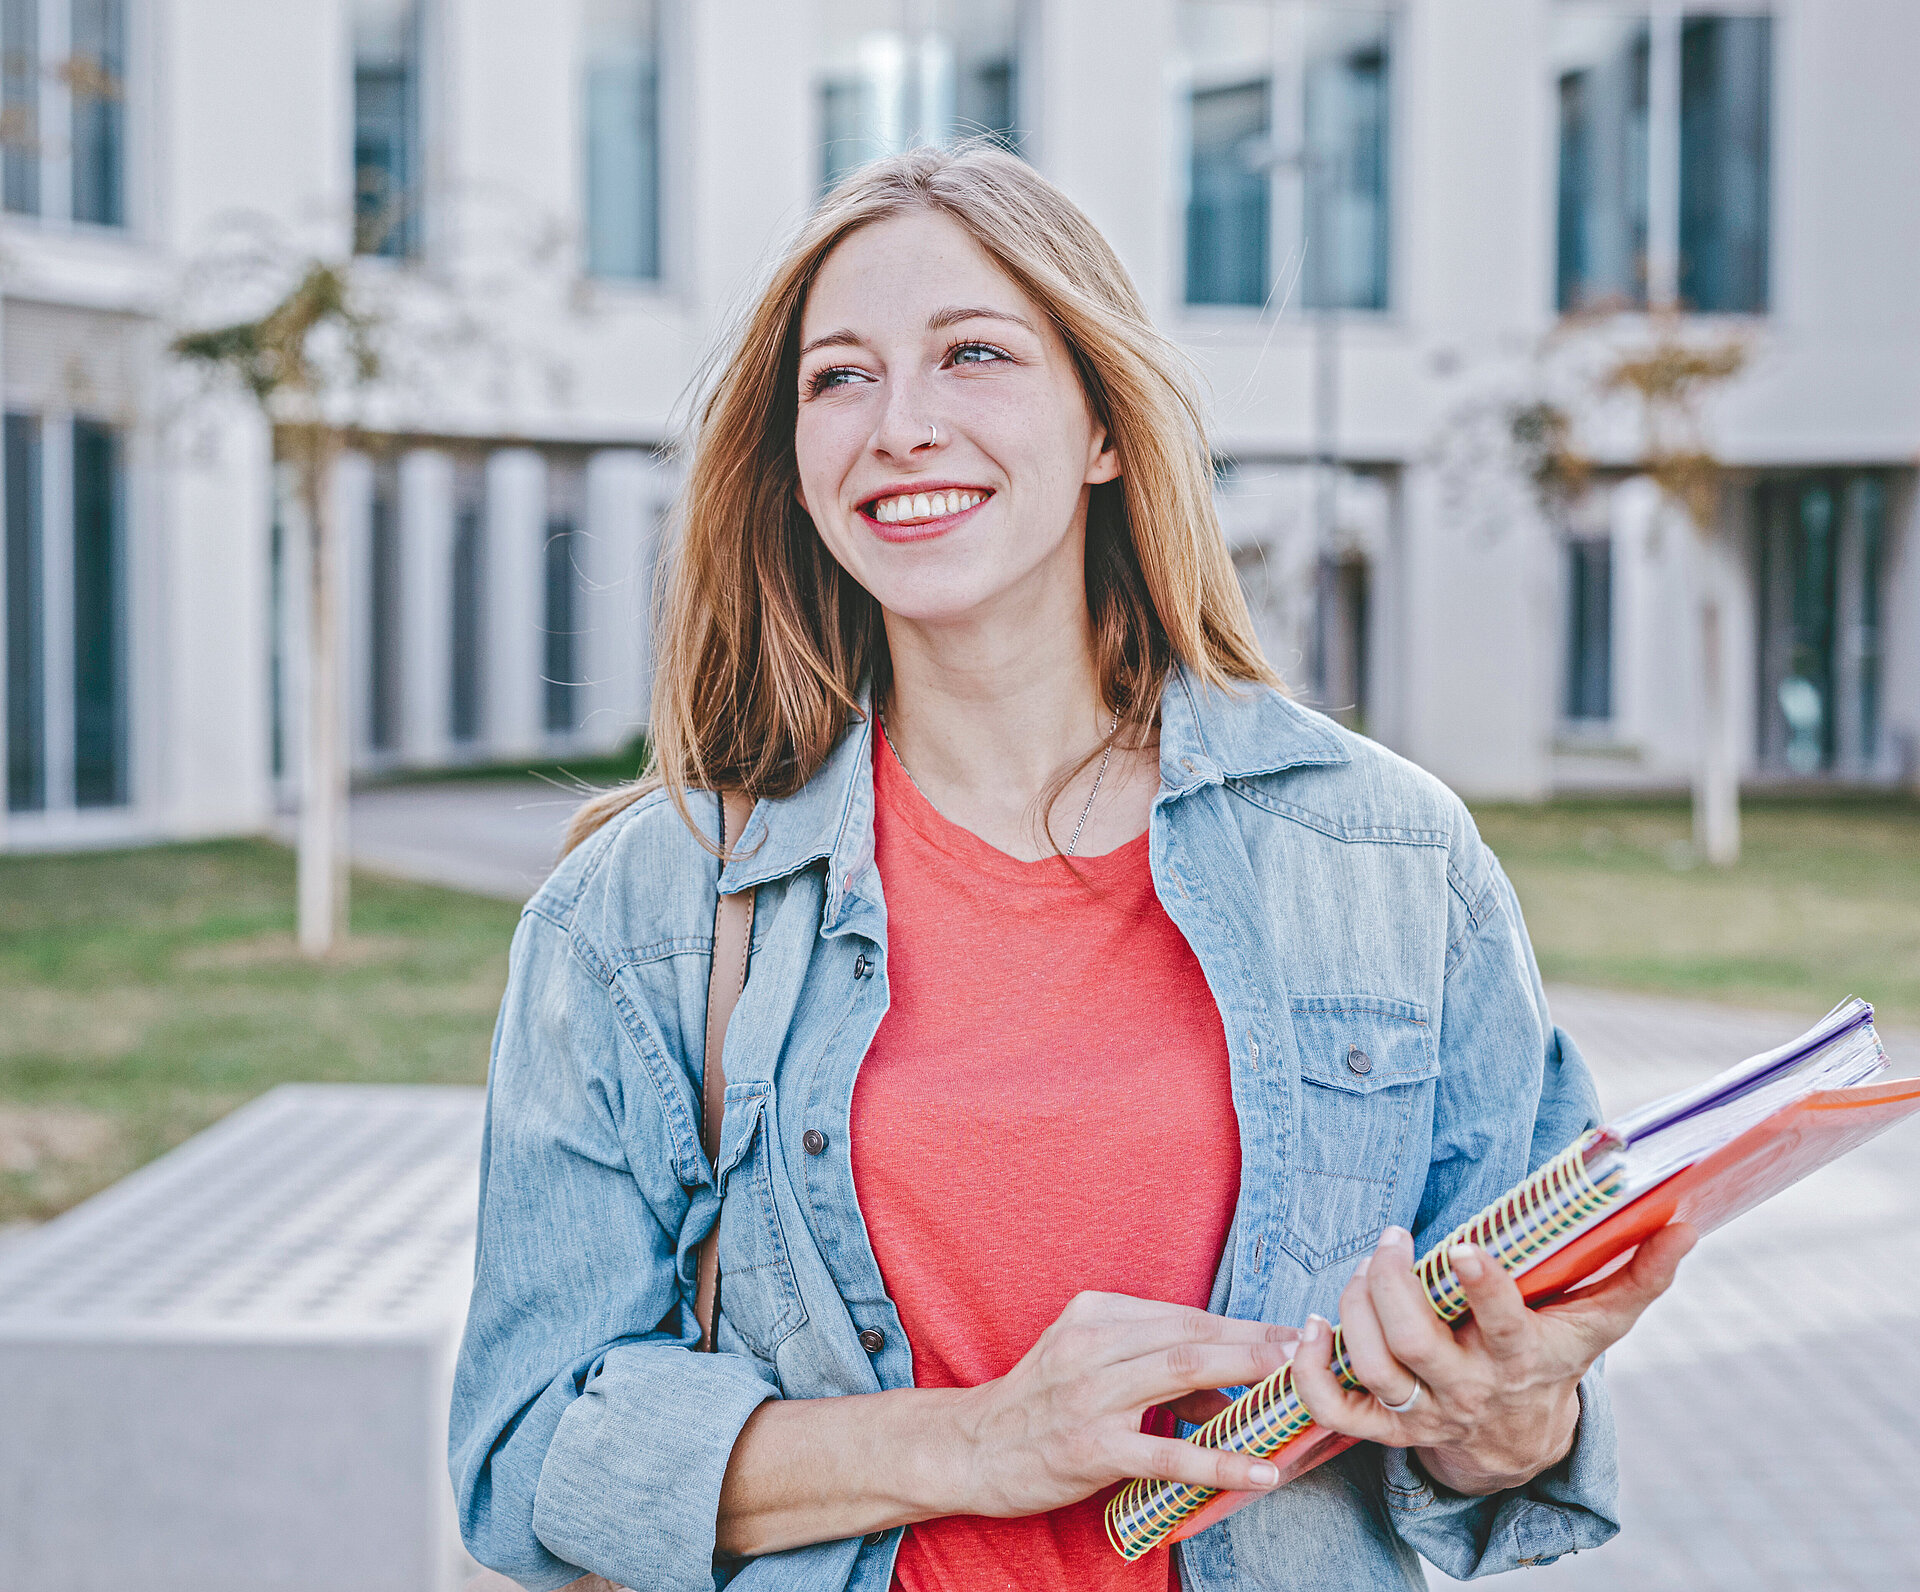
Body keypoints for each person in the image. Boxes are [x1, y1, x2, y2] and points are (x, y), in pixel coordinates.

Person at [448, 143, 1692, 1592]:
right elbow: (528, 1455)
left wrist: (1514, 1415)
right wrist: (975, 1443)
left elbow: (1497, 1432)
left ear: (1106, 426)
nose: (900, 424)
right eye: (838, 378)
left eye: (973, 355)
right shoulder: (644, 918)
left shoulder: (1393, 860)